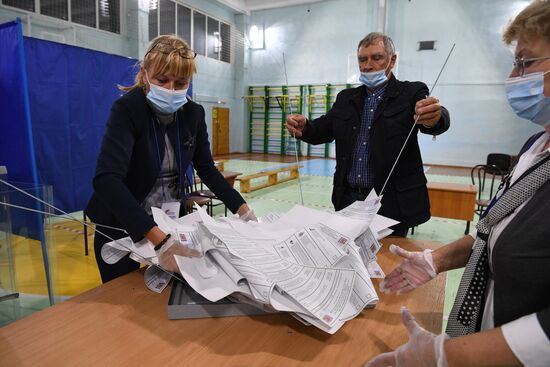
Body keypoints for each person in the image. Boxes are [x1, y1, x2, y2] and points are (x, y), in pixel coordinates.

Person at [367, 1, 550, 365]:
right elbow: (495, 227)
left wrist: (449, 356)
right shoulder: (536, 146)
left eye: (525, 62)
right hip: (489, 326)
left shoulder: (409, 91)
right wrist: (437, 258)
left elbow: (435, 117)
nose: (515, 76)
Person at [86, 35, 255, 283]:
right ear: (145, 74)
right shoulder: (127, 110)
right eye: (162, 80)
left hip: (170, 224)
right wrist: (160, 241)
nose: (171, 90)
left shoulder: (193, 114)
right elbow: (107, 180)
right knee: (128, 300)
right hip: (123, 225)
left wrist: (244, 212)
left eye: (180, 83)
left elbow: (207, 169)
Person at [286, 32, 450, 237]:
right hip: (348, 200)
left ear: (392, 60)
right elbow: (324, 129)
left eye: (376, 57)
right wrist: (305, 127)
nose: (367, 65)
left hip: (391, 203)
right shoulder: (346, 98)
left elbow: (434, 117)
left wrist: (435, 117)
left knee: (387, 264)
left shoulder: (411, 92)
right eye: (362, 59)